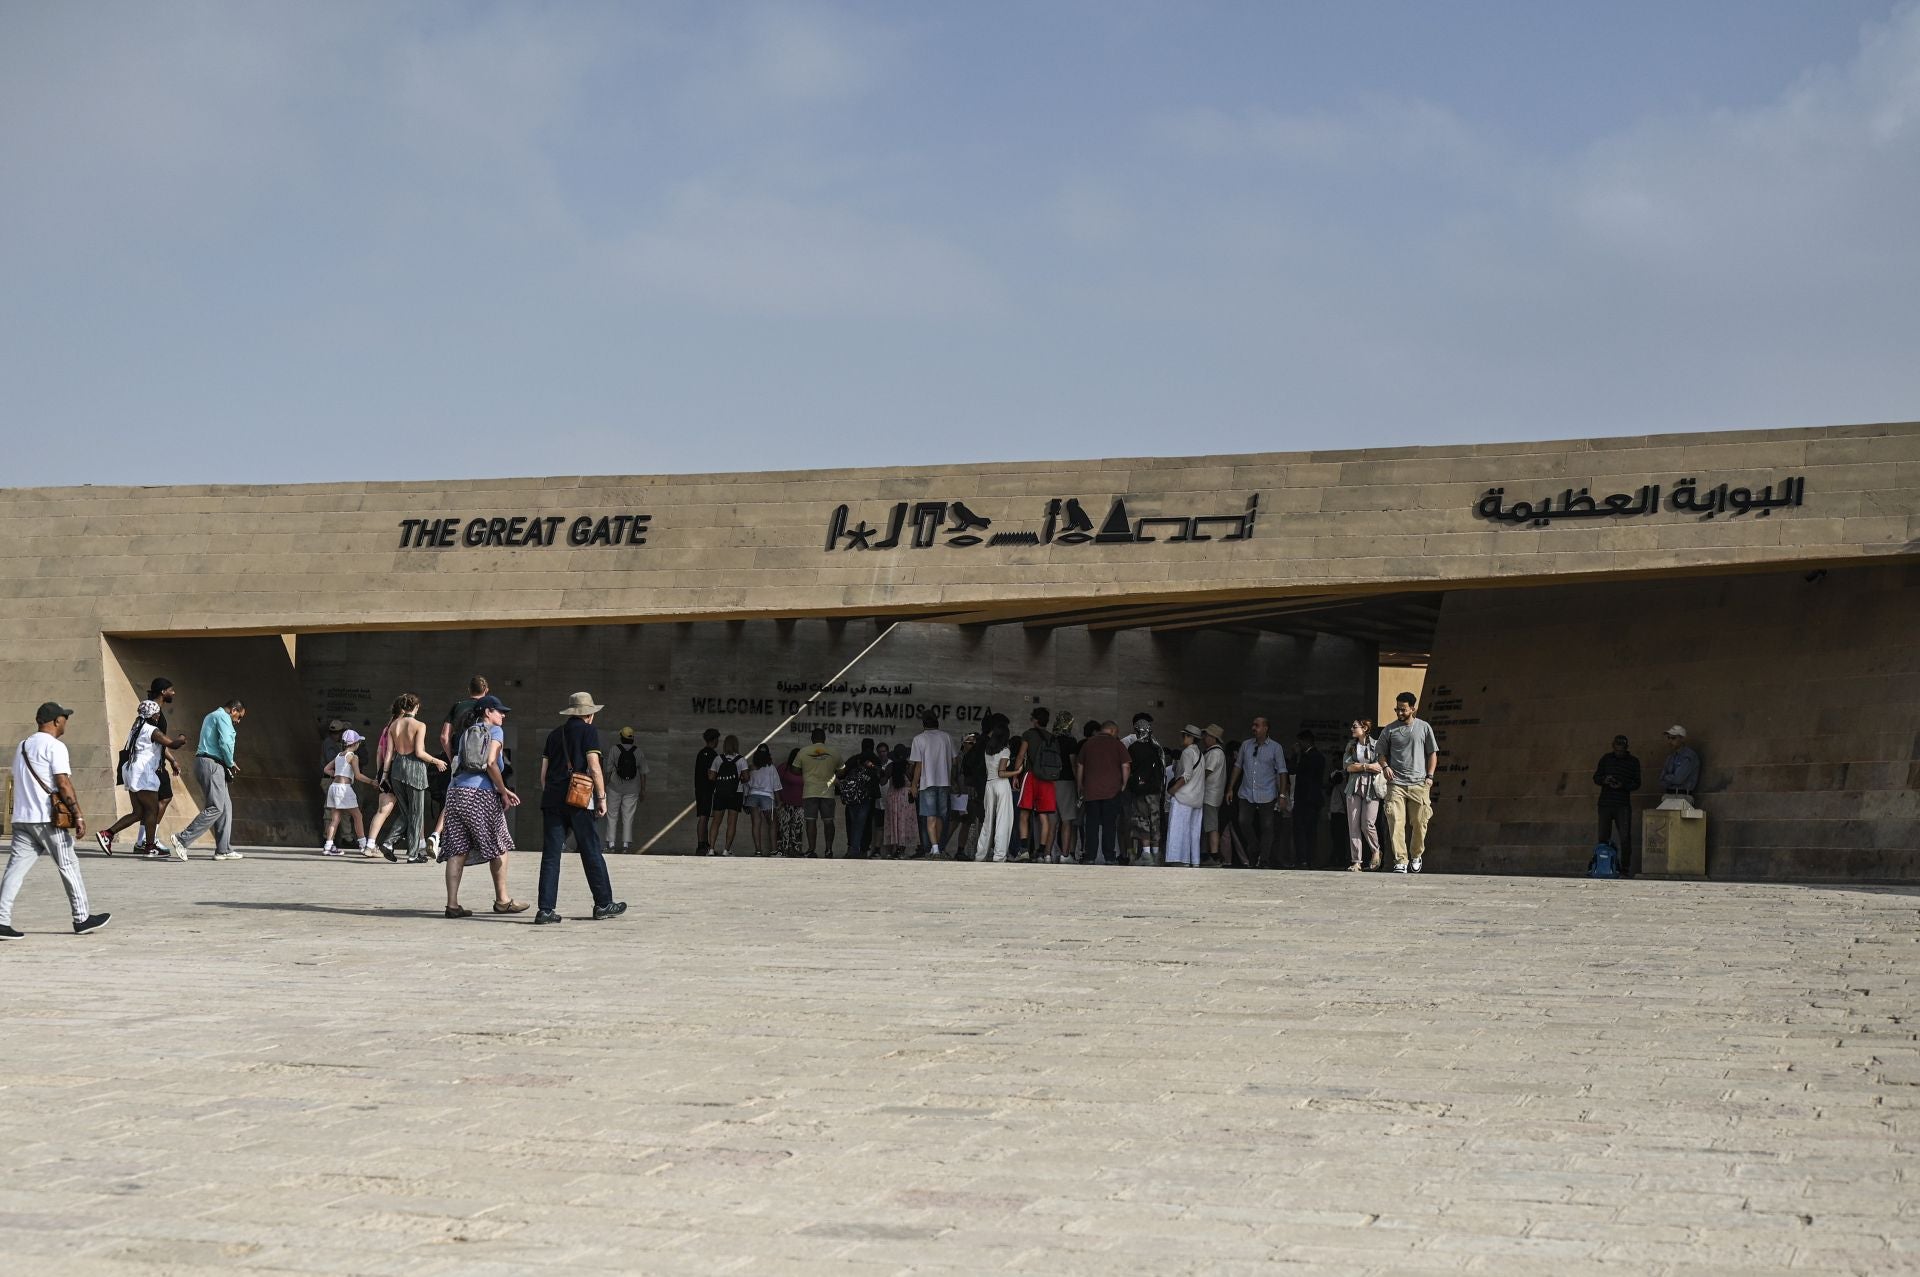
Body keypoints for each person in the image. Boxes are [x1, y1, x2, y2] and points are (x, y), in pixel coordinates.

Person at [1, 702, 110, 940]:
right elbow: (63, 783)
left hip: (22, 818)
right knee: (69, 865)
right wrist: (78, 814)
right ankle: (82, 918)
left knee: (14, 870)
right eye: (65, 718)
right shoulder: (55, 747)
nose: (66, 722)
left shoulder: (22, 745)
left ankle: (1, 920)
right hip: (47, 820)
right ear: (56, 721)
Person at [535, 692, 623, 924]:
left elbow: (543, 775)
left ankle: (545, 910)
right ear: (589, 714)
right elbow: (594, 768)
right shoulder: (589, 732)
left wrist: (552, 793)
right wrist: (602, 797)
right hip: (579, 800)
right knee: (591, 850)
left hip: (552, 800)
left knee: (551, 856)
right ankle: (603, 903)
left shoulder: (554, 735)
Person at [439, 694, 526, 917]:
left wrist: (501, 789)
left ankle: (452, 905)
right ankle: (502, 900)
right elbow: (489, 763)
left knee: (457, 849)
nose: (503, 715)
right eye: (499, 711)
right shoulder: (495, 731)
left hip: (456, 792)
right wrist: (503, 792)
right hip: (480, 794)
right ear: (488, 711)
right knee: (499, 845)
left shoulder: (466, 732)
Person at [98, 698, 182, 858]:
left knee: (138, 812)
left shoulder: (137, 727)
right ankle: (149, 847)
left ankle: (107, 834)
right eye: (157, 713)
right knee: (152, 810)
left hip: (131, 770)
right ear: (152, 715)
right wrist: (183, 737)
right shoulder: (152, 730)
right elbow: (173, 744)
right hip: (143, 773)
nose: (158, 716)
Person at [367, 693, 444, 862]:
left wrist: (384, 775)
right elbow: (419, 752)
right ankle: (412, 854)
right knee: (416, 813)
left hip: (396, 770)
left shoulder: (393, 725)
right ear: (416, 707)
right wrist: (436, 760)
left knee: (407, 812)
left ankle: (389, 844)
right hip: (414, 770)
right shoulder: (419, 725)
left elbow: (388, 753)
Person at [174, 698, 248, 862]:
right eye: (239, 717)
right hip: (212, 764)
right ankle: (182, 839)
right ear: (234, 710)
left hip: (208, 762)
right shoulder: (224, 717)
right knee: (216, 807)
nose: (238, 721)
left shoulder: (212, 715)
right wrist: (230, 762)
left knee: (225, 807)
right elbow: (226, 742)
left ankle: (223, 849)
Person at [427, 676, 491, 860]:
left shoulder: (458, 706)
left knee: (453, 799)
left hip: (459, 757)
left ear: (468, 689)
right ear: (486, 689)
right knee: (482, 797)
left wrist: (451, 756)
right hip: (481, 759)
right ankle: (479, 845)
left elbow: (444, 736)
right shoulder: (488, 706)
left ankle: (436, 835)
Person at [1380, 691, 1441, 873]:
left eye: (1403, 709)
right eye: (1397, 709)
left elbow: (1432, 753)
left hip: (1419, 783)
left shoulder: (1424, 728)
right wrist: (1385, 767)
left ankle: (1416, 855)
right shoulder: (1389, 730)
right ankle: (1400, 859)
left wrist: (1430, 776)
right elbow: (1381, 752)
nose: (1399, 713)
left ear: (1412, 709)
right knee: (1396, 822)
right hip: (1396, 784)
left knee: (1420, 822)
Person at [1230, 716, 1289, 869]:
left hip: (1267, 793)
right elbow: (1238, 766)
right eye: (1253, 725)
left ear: (1265, 728)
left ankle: (1264, 859)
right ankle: (1254, 846)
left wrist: (1282, 795)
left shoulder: (1276, 748)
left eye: (1257, 725)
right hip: (1247, 792)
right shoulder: (1246, 745)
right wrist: (1230, 787)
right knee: (1243, 821)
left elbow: (1282, 772)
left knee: (1268, 826)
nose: (1253, 728)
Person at [135, 677, 184, 853]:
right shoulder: (154, 714)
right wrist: (180, 740)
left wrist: (172, 760)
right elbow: (161, 741)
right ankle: (150, 839)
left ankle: (143, 840)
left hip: (155, 763)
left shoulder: (154, 713)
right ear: (163, 691)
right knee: (160, 800)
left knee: (146, 807)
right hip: (152, 765)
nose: (173, 693)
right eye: (171, 689)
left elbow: (159, 743)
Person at [1076, 720, 1132, 865]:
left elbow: (1080, 766)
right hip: (1112, 792)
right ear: (1112, 731)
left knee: (1091, 825)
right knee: (1109, 825)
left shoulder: (1088, 744)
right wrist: (1124, 785)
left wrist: (1080, 785)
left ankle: (1090, 856)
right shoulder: (1117, 744)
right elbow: (1125, 766)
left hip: (1091, 791)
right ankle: (1109, 857)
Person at [1014, 706, 1062, 862]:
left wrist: (1016, 775)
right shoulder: (1052, 738)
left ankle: (1023, 850)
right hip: (1048, 780)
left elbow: (1021, 755)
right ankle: (1041, 852)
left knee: (1024, 813)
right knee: (1044, 816)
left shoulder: (1028, 734)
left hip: (1031, 776)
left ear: (1035, 720)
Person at [320, 730, 378, 855]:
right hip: (344, 789)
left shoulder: (339, 755)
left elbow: (326, 769)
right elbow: (358, 776)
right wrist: (372, 781)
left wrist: (337, 774)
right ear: (355, 743)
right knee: (358, 816)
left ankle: (328, 846)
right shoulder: (353, 756)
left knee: (335, 818)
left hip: (334, 787)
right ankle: (363, 845)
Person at [907, 711, 954, 859]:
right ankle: (938, 847)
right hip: (944, 782)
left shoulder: (919, 739)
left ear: (923, 723)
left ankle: (934, 849)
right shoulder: (946, 737)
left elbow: (918, 765)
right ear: (937, 722)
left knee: (930, 816)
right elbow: (955, 760)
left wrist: (914, 784)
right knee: (941, 816)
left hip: (927, 783)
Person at [1123, 714, 1168, 867]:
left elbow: (1129, 768)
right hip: (1155, 790)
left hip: (1140, 790)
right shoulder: (1156, 747)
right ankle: (1156, 854)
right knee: (1155, 819)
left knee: (1143, 820)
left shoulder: (1134, 747)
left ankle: (1146, 854)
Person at [1593, 734, 1642, 873]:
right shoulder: (1606, 759)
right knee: (1603, 836)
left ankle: (1625, 867)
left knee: (1625, 837)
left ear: (1626, 748)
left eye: (1622, 749)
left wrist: (1622, 785)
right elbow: (1596, 777)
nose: (1619, 751)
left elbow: (1637, 783)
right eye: (1617, 748)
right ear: (1613, 746)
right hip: (1605, 803)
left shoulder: (1633, 762)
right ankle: (1603, 865)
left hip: (1622, 804)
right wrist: (1605, 780)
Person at [1341, 718, 1385, 871]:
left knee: (1367, 823)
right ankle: (1356, 861)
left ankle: (1376, 850)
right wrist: (1367, 766)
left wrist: (1359, 766)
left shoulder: (1377, 744)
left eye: (1355, 726)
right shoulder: (1351, 745)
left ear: (1365, 728)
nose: (1352, 729)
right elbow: (1348, 766)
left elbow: (1380, 765)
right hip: (1354, 786)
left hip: (1372, 787)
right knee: (1353, 824)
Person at [973, 723, 1016, 863]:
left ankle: (980, 854)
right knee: (1003, 820)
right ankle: (999, 855)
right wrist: (1017, 772)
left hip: (989, 784)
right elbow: (1002, 773)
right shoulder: (1005, 751)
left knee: (988, 821)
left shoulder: (988, 750)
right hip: (1001, 785)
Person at [795, 729, 842, 856]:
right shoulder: (834, 752)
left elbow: (795, 769)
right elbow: (842, 770)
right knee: (828, 821)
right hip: (827, 792)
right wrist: (832, 777)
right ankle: (828, 850)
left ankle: (811, 850)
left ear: (812, 738)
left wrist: (806, 772)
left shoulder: (803, 752)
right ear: (824, 738)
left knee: (811, 821)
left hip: (810, 791)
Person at [1165, 725, 1205, 867]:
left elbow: (1186, 775)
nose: (1182, 738)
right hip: (1197, 798)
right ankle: (1194, 861)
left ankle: (1179, 860)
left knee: (1178, 829)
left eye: (1184, 735)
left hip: (1184, 797)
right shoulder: (1199, 753)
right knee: (1194, 832)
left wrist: (1172, 791)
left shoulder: (1187, 752)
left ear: (1189, 737)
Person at [605, 726, 649, 853]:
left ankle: (611, 844)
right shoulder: (638, 751)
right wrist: (643, 789)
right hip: (633, 788)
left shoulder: (614, 749)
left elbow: (608, 770)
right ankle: (625, 845)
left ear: (621, 737)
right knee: (628, 817)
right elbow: (643, 773)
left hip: (614, 787)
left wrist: (604, 785)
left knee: (612, 815)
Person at [838, 738, 882, 860]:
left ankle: (852, 848)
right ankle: (863, 850)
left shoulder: (854, 759)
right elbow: (881, 777)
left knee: (852, 823)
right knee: (866, 824)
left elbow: (841, 773)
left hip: (852, 797)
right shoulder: (876, 760)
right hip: (869, 797)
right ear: (872, 747)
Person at [1290, 729, 1328, 869]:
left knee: (1306, 831)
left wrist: (1296, 755)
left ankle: (1306, 859)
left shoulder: (1314, 757)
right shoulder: (1313, 756)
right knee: (1303, 831)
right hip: (1304, 800)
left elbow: (1296, 770)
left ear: (1306, 742)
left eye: (1300, 742)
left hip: (1309, 800)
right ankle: (1305, 859)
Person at [707, 734, 746, 855]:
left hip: (719, 793)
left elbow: (712, 777)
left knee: (716, 822)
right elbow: (747, 777)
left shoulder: (718, 759)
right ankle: (726, 850)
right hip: (736, 793)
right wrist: (739, 779)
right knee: (731, 822)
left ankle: (712, 849)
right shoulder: (741, 760)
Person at [1049, 711, 1080, 864]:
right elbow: (1074, 764)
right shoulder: (1070, 741)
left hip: (1048, 782)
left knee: (1051, 821)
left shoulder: (1049, 739)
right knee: (1067, 820)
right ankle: (1065, 855)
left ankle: (1047, 854)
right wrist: (1079, 784)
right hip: (1066, 782)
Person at [1200, 724, 1233, 866]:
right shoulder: (1216, 752)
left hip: (1210, 796)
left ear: (1213, 738)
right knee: (1209, 826)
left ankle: (1214, 856)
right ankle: (1210, 854)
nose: (1204, 738)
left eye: (1207, 735)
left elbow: (1206, 772)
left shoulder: (1214, 753)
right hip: (1212, 795)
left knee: (1211, 827)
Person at [743, 744, 780, 856]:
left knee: (756, 824)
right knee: (773, 823)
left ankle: (758, 851)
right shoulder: (771, 767)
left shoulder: (751, 768)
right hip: (767, 797)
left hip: (752, 797)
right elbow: (776, 786)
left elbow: (746, 785)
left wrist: (745, 801)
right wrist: (779, 801)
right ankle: (774, 851)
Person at [880, 743, 915, 857]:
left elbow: (883, 782)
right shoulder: (909, 766)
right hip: (905, 797)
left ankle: (890, 851)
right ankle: (901, 851)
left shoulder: (890, 766)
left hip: (892, 796)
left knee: (892, 822)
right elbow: (913, 780)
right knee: (904, 822)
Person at [692, 727, 721, 854]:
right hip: (707, 790)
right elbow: (711, 774)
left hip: (699, 789)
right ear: (714, 740)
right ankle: (701, 845)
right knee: (704, 817)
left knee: (704, 816)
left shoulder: (701, 753)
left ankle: (703, 844)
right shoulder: (713, 755)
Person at [775, 747, 807, 856]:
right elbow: (776, 785)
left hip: (800, 805)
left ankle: (796, 850)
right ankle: (783, 850)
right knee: (784, 828)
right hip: (785, 804)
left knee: (797, 829)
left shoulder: (806, 770)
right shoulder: (783, 768)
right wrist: (779, 801)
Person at [1659, 725, 1700, 802]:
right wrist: (1671, 777)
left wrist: (1668, 777)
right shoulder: (1670, 757)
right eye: (1669, 738)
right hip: (1668, 795)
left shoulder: (1689, 755)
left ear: (1682, 739)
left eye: (1673, 738)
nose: (1670, 741)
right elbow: (1661, 780)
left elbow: (1678, 779)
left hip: (1683, 796)